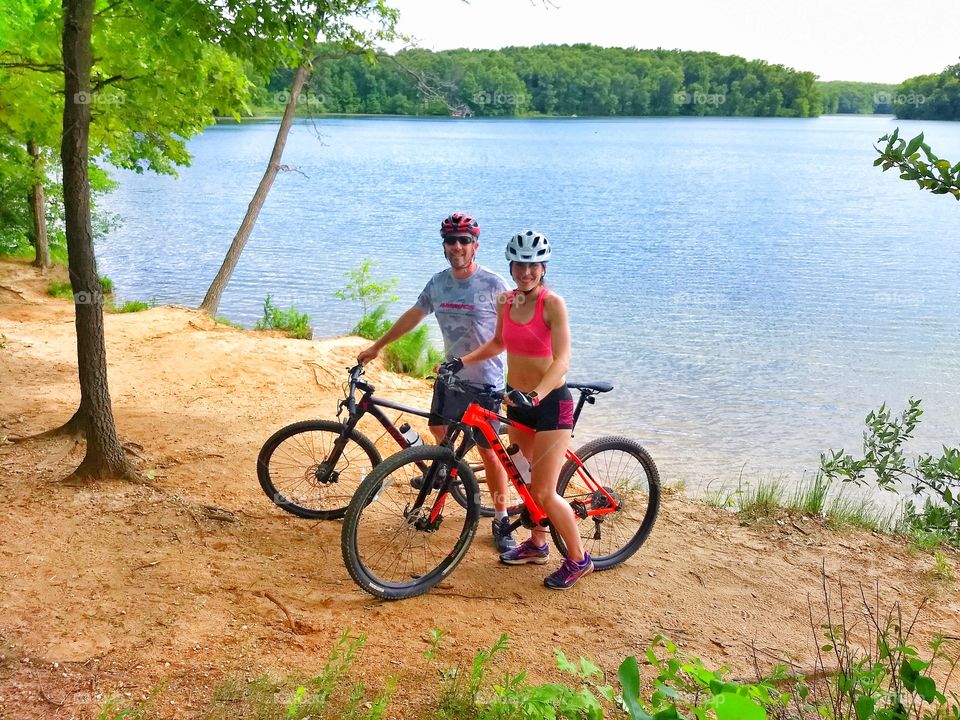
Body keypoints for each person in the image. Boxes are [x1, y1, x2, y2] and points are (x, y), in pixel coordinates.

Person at [356, 212, 516, 552]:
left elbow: (507, 337)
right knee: (438, 430)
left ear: (476, 245)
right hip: (450, 378)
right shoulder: (438, 282)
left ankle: (501, 517)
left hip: (484, 382)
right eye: (450, 241)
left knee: (489, 454)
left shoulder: (494, 284)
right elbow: (414, 315)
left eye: (464, 240)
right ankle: (446, 472)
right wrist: (377, 346)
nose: (457, 246)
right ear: (443, 245)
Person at [445, 230, 593, 590]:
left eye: (533, 265)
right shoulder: (506, 301)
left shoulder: (552, 303)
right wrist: (459, 362)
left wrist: (538, 394)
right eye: (519, 265)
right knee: (526, 479)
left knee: (544, 491)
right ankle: (538, 544)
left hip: (549, 404)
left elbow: (562, 361)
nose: (525, 271)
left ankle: (579, 559)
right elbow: (497, 343)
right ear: (511, 266)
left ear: (543, 268)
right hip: (519, 403)